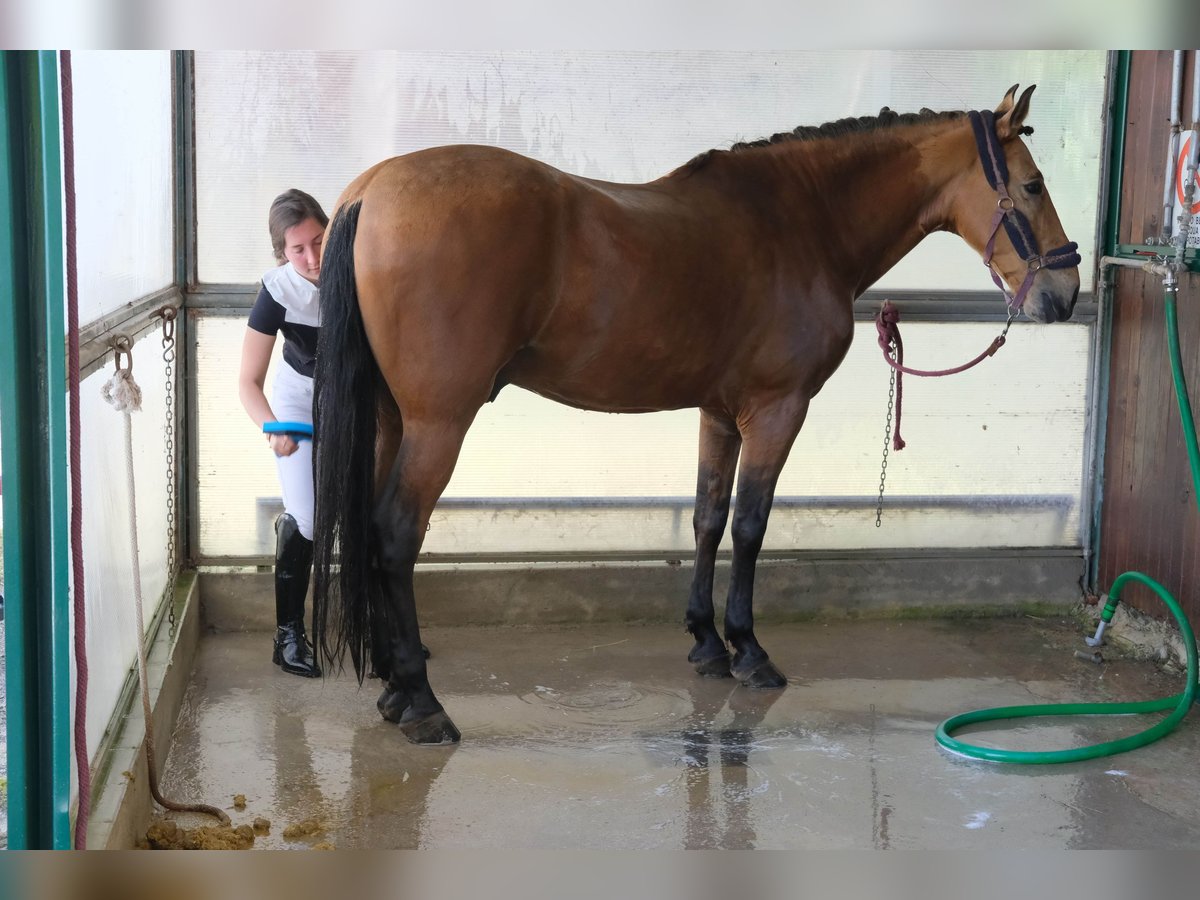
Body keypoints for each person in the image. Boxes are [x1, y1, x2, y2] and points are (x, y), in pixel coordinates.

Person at [238, 188, 327, 678]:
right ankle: (287, 635)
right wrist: (272, 429)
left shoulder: (363, 270)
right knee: (308, 516)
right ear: (281, 253)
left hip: (354, 401)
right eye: (298, 249)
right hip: (298, 402)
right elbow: (248, 382)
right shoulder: (276, 292)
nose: (312, 258)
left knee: (373, 510)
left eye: (319, 241)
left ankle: (388, 633)